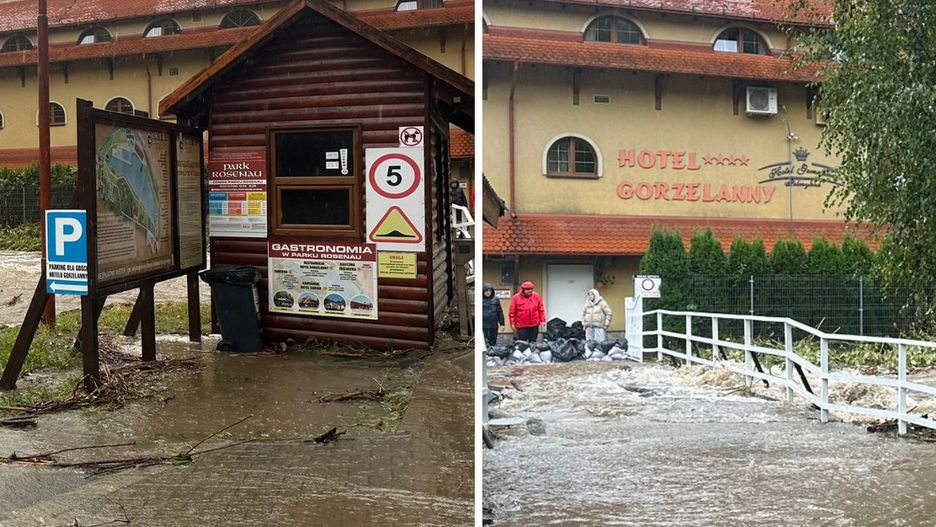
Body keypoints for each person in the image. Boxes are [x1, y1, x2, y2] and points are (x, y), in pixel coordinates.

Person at [481, 283, 504, 347]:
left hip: (493, 324)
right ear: (483, 291)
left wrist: (502, 324)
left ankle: (492, 350)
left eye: (489, 291)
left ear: (492, 291)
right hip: (484, 324)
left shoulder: (496, 299)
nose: (488, 292)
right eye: (486, 291)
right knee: (485, 341)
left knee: (493, 340)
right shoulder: (480, 299)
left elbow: (499, 312)